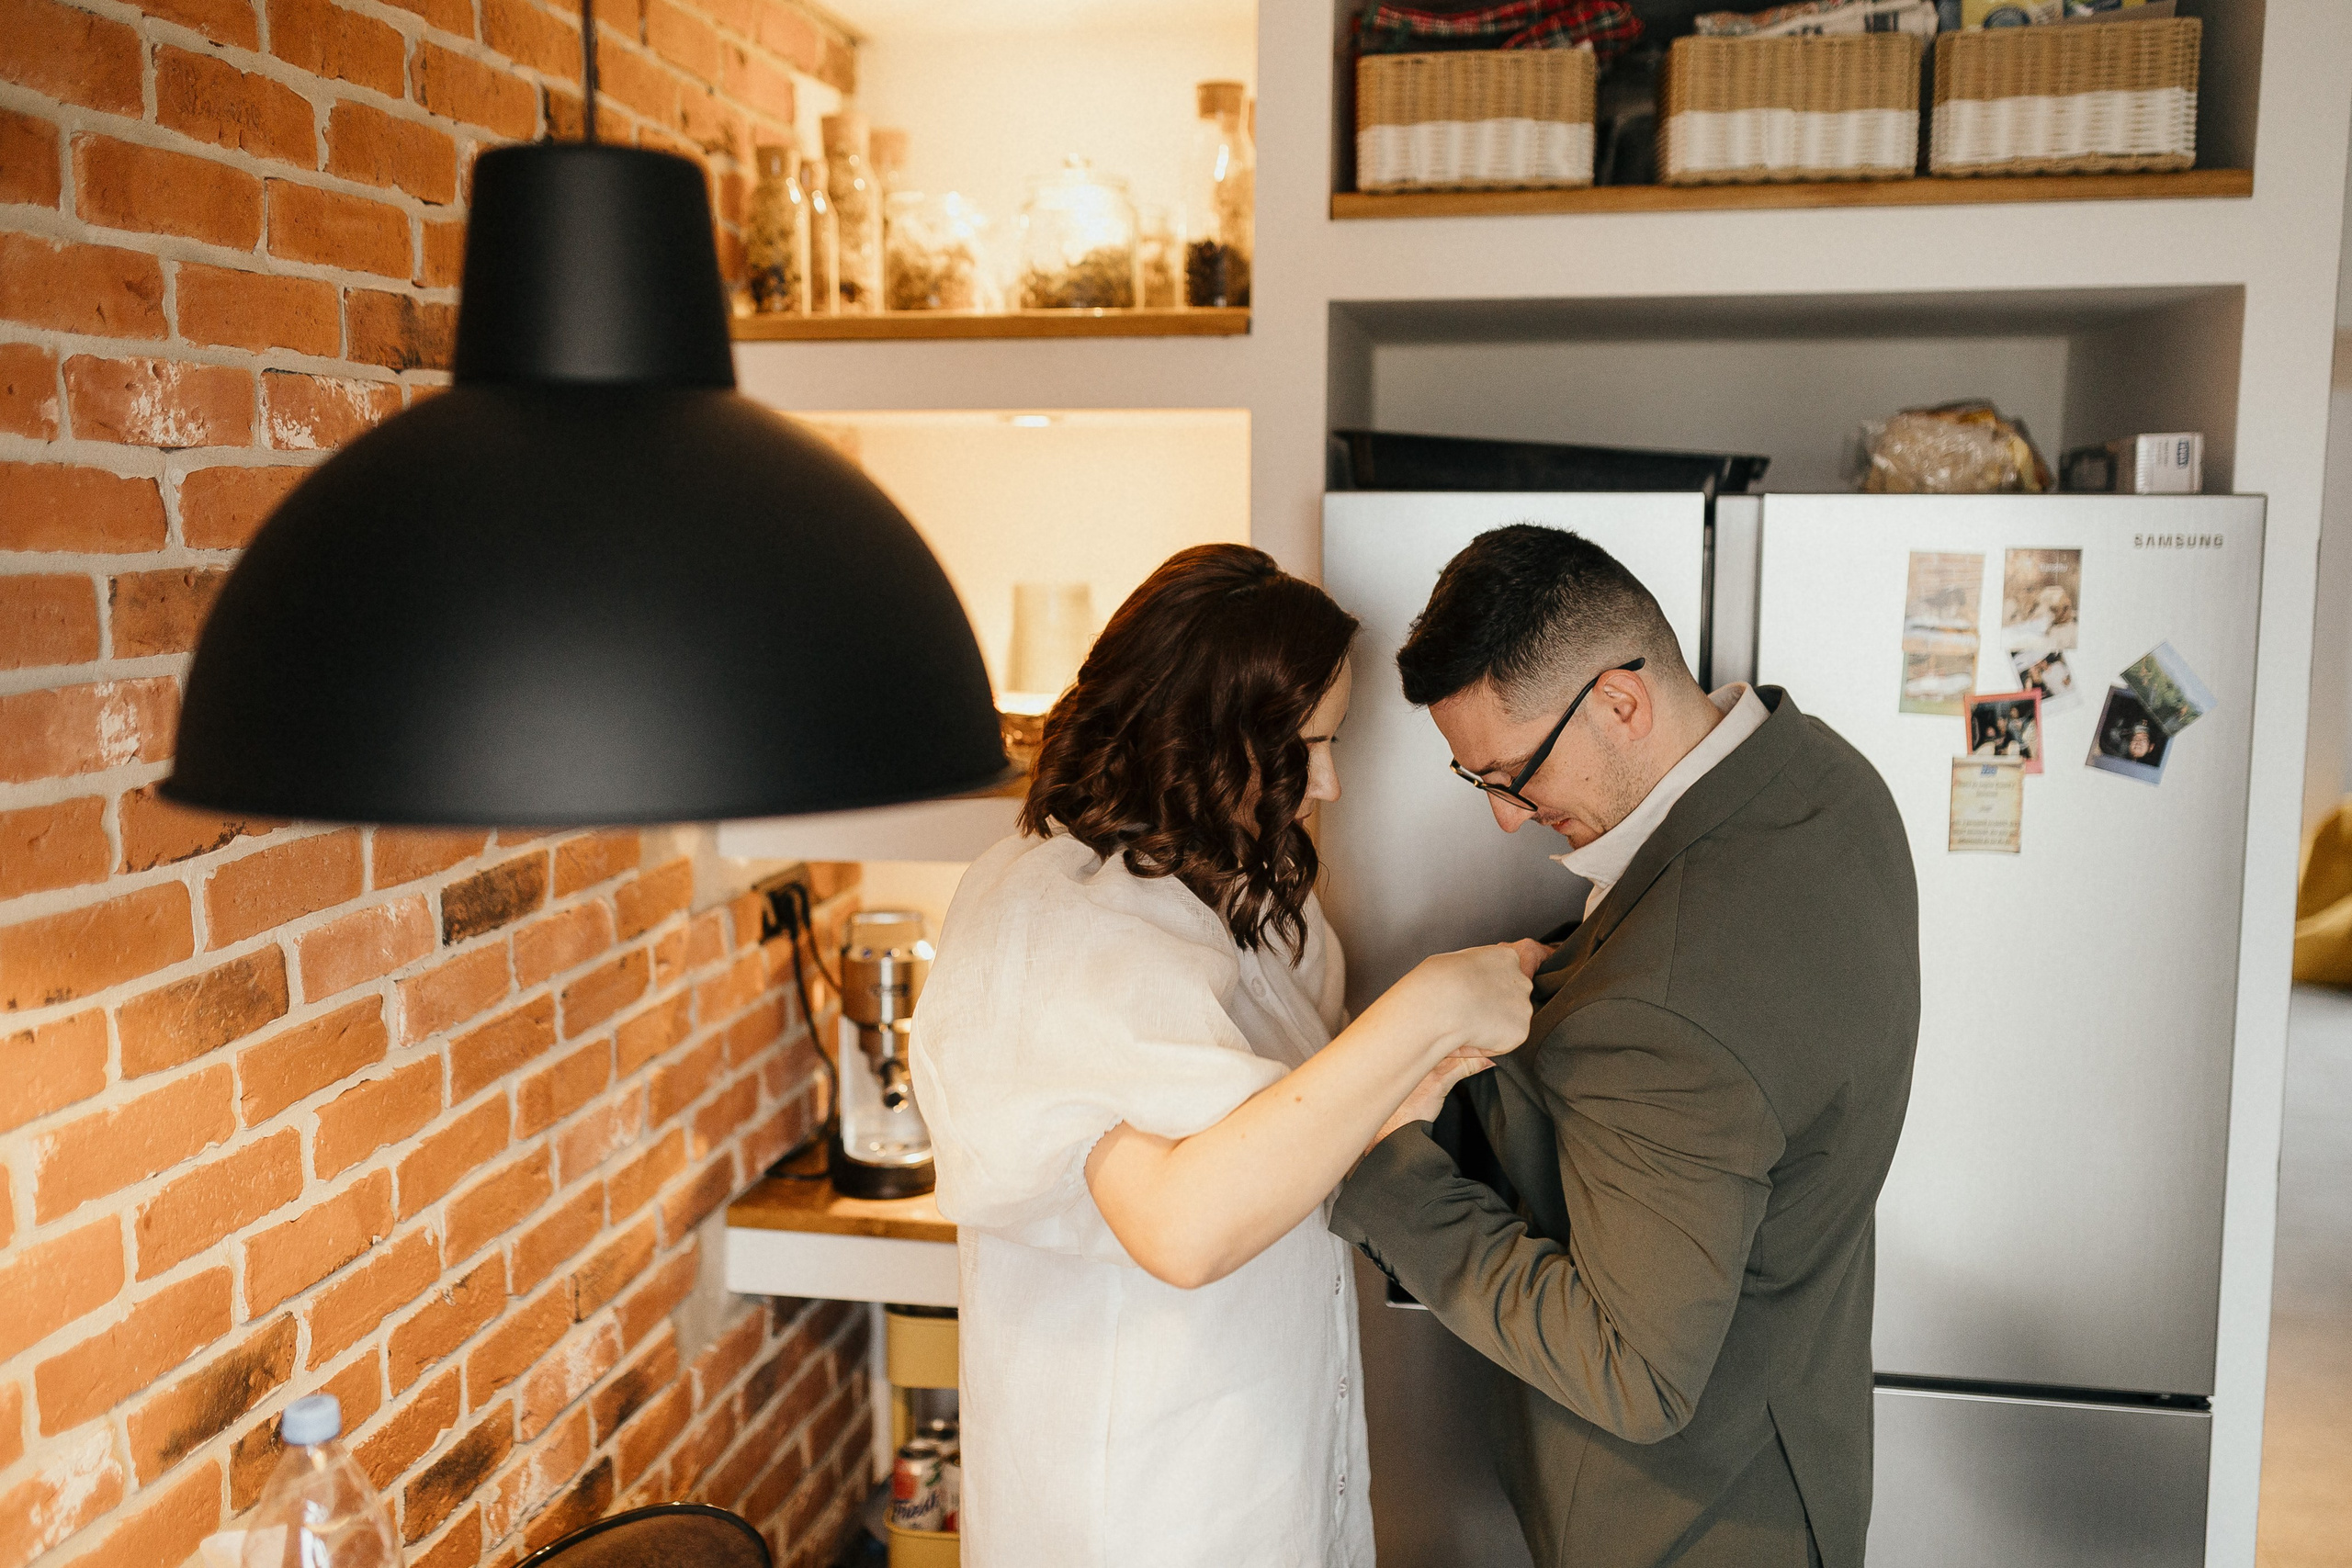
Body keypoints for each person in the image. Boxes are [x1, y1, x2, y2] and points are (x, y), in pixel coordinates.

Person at [910, 544, 1535, 1566]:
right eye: (1305, 749)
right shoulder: (1050, 920)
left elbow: (1278, 1137)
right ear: (1194, 736)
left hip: (1263, 1471)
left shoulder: (1235, 891)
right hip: (1135, 1512)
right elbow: (1183, 1226)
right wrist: (1421, 1013)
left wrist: (1418, 1077)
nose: (1326, 781)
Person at [1332, 525, 1920, 1568]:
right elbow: (1733, 1009)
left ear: (1617, 701)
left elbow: (1633, 1377)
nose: (1510, 822)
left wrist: (1377, 1163)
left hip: (1688, 1526)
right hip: (1802, 1460)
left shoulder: (1664, 1008)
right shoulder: (1824, 779)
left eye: (1509, 775)